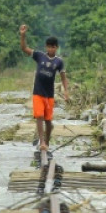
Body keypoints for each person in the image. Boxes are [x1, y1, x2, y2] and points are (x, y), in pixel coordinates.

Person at [19, 24, 69, 156]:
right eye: (49, 46)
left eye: (53, 47)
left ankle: (46, 142)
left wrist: (66, 91)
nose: (51, 49)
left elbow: (63, 77)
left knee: (48, 121)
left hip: (49, 95)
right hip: (38, 93)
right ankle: (42, 142)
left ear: (56, 48)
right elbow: (24, 48)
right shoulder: (39, 56)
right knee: (39, 117)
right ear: (46, 47)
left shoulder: (59, 62)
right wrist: (23, 35)